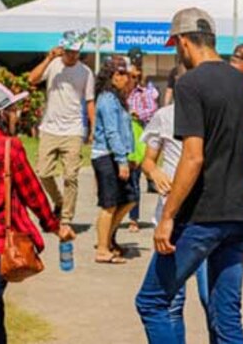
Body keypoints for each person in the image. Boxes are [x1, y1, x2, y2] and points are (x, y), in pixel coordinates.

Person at [136, 7, 243, 344]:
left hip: (200, 218)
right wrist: (239, 197)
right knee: (225, 317)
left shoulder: (190, 84)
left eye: (175, 45)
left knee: (152, 301)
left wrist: (169, 217)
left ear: (183, 42)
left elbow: (192, 157)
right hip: (239, 216)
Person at [0, 83, 76, 344]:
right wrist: (56, 226)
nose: (17, 114)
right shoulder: (9, 146)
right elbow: (33, 195)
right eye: (13, 109)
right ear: (1, 114)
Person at [140, 103, 216, 341]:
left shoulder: (214, 114)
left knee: (211, 299)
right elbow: (148, 160)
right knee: (170, 300)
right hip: (170, 220)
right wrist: (154, 172)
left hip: (205, 218)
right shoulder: (165, 115)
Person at [28, 39, 95, 233]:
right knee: (43, 172)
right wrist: (48, 58)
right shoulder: (53, 65)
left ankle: (65, 218)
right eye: (69, 51)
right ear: (62, 50)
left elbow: (90, 101)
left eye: (76, 51)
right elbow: (32, 79)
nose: (73, 55)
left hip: (73, 130)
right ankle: (58, 201)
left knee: (71, 176)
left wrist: (92, 128)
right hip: (50, 128)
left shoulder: (86, 72)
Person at [89, 55, 136, 264]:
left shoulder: (117, 98)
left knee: (128, 199)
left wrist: (128, 155)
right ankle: (102, 249)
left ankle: (107, 240)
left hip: (117, 155)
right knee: (109, 204)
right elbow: (111, 132)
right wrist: (121, 160)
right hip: (106, 156)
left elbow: (124, 130)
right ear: (111, 75)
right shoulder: (107, 99)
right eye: (122, 73)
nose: (126, 77)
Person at [127, 59, 160, 232]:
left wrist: (137, 114)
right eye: (129, 75)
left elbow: (152, 112)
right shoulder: (121, 92)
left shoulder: (146, 92)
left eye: (135, 75)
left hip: (138, 140)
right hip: (121, 139)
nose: (132, 79)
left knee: (134, 181)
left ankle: (133, 218)